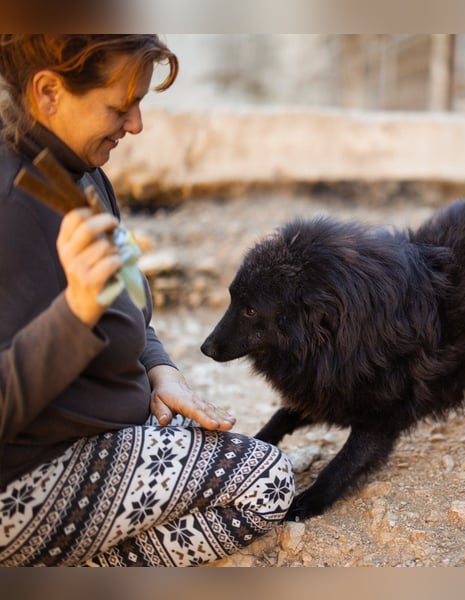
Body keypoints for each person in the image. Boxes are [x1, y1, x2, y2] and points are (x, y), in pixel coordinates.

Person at [0, 34, 294, 567]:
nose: (135, 125)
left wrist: (160, 371)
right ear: (48, 92)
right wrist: (76, 314)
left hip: (105, 423)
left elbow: (128, 306)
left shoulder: (79, 172)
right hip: (24, 475)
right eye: (119, 107)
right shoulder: (10, 207)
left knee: (236, 452)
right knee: (264, 481)